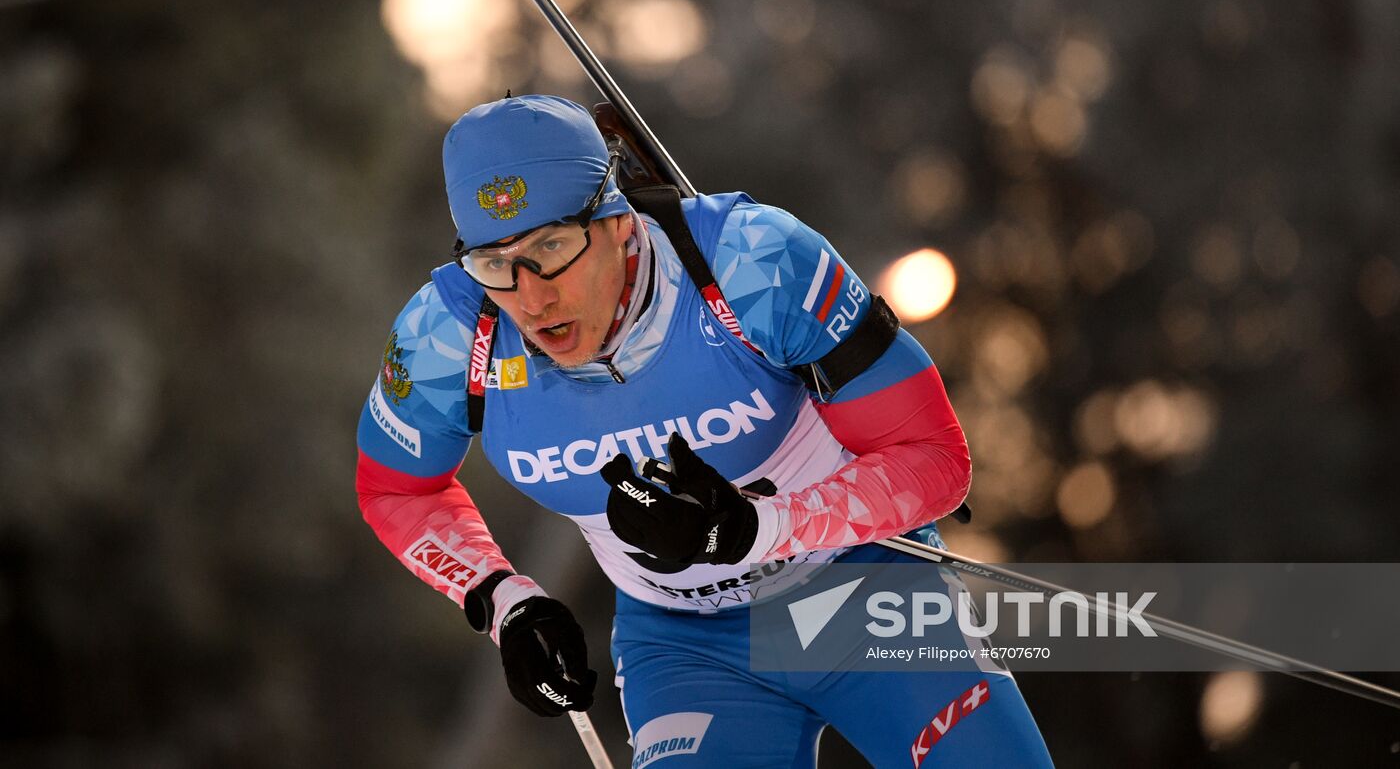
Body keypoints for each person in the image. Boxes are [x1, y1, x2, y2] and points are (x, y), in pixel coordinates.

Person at [356, 94, 1053, 766]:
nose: (532, 295)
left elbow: (934, 459)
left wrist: (757, 526)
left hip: (864, 591)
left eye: (553, 245)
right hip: (687, 646)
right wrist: (505, 599)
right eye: (494, 263)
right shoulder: (444, 336)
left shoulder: (751, 261)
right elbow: (397, 489)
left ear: (619, 219)